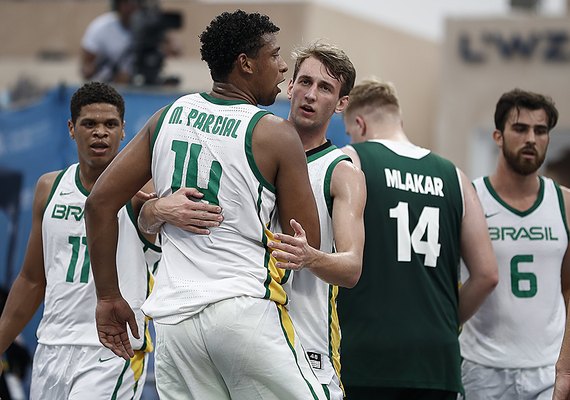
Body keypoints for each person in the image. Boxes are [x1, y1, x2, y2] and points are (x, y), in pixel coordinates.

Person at [84, 10, 328, 400]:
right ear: (245, 64)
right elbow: (305, 241)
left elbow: (98, 204)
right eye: (275, 55)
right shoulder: (276, 133)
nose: (283, 67)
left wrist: (108, 297)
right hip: (242, 312)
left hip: (175, 323)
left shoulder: (167, 116)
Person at [337, 79, 499, 400]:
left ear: (360, 123)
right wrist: (445, 321)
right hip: (437, 358)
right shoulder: (454, 175)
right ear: (400, 121)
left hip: (368, 354)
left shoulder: (351, 160)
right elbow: (487, 275)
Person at [0, 82, 162, 399]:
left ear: (124, 130)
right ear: (72, 129)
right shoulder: (49, 188)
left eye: (110, 124)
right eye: (89, 124)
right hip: (52, 346)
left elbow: (162, 212)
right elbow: (32, 280)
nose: (100, 132)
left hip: (113, 350)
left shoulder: (143, 192)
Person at [267, 41, 365, 399]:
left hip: (307, 338)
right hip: (243, 332)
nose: (310, 94)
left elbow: (352, 267)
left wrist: (311, 256)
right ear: (289, 87)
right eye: (305, 82)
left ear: (341, 104)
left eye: (325, 88)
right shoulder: (254, 147)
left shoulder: (341, 171)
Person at [459, 89, 570, 400]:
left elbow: (569, 287)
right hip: (482, 368)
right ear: (498, 136)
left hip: (546, 370)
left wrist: (566, 369)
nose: (531, 138)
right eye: (520, 129)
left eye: (540, 130)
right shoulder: (470, 198)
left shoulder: (564, 203)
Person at [80, 0, 180, 85]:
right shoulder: (101, 28)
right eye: (127, 3)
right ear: (117, 5)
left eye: (136, 3)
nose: (132, 8)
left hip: (144, 82)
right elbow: (86, 70)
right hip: (108, 85)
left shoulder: (149, 26)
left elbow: (175, 49)